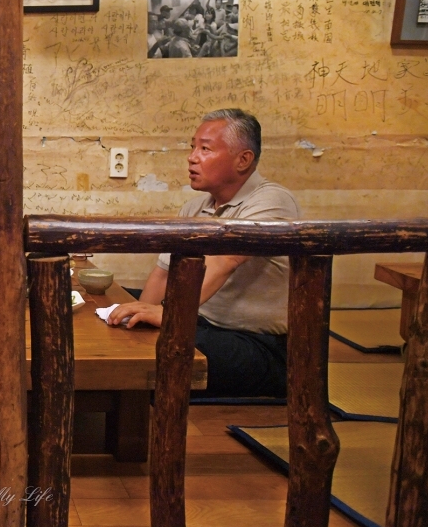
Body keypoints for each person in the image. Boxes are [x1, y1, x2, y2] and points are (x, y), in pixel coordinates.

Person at [105, 109, 300, 397]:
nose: (192, 157)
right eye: (192, 147)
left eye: (205, 149)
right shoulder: (194, 208)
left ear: (243, 160)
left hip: (255, 343)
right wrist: (139, 318)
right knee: (116, 308)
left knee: (158, 354)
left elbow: (226, 260)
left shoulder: (273, 201)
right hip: (200, 322)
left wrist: (169, 314)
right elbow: (163, 273)